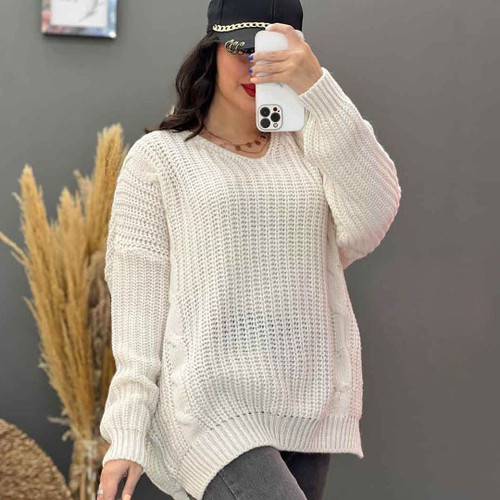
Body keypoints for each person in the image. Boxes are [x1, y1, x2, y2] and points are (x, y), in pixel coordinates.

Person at [97, 0, 402, 499]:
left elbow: (370, 220)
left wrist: (318, 88)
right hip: (210, 410)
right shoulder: (160, 159)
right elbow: (138, 305)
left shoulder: (310, 147)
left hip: (305, 407)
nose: (257, 69)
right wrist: (128, 431)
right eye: (243, 51)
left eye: (274, 55)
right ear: (212, 50)